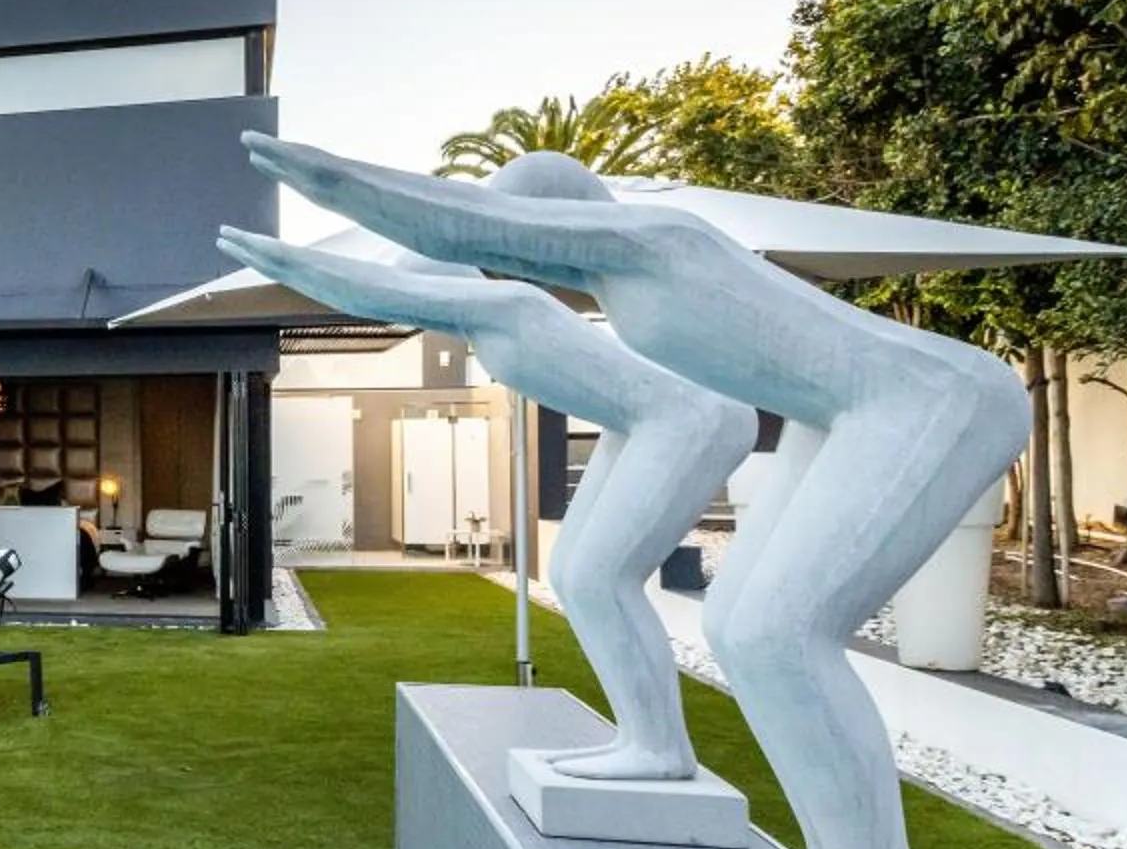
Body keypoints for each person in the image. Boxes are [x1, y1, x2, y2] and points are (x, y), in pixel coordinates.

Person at [242, 137, 1028, 849]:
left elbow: (456, 226)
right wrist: (306, 261)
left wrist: (324, 182)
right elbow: (446, 256)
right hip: (834, 415)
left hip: (924, 399)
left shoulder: (656, 241)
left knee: (773, 633)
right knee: (730, 624)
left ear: (550, 216)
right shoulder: (608, 288)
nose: (507, 256)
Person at [222, 230, 753, 782]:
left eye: (416, 280)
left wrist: (282, 260)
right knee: (578, 575)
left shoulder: (506, 306)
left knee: (596, 578)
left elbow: (369, 291)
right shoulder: (498, 324)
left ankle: (656, 745)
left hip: (678, 420)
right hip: (639, 421)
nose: (413, 297)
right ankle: (649, 738)